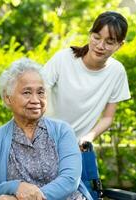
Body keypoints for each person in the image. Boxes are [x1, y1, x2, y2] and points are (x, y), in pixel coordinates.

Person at [0, 58, 93, 200]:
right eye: (27, 93)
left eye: (41, 92)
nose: (36, 100)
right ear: (7, 98)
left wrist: (26, 198)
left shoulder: (62, 131)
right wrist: (15, 187)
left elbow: (70, 180)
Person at [41, 11, 130, 143]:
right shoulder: (64, 58)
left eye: (109, 42)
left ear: (119, 45)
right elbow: (37, 94)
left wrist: (89, 137)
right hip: (45, 138)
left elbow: (108, 118)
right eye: (96, 37)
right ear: (90, 34)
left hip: (79, 144)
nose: (100, 46)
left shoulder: (117, 72)